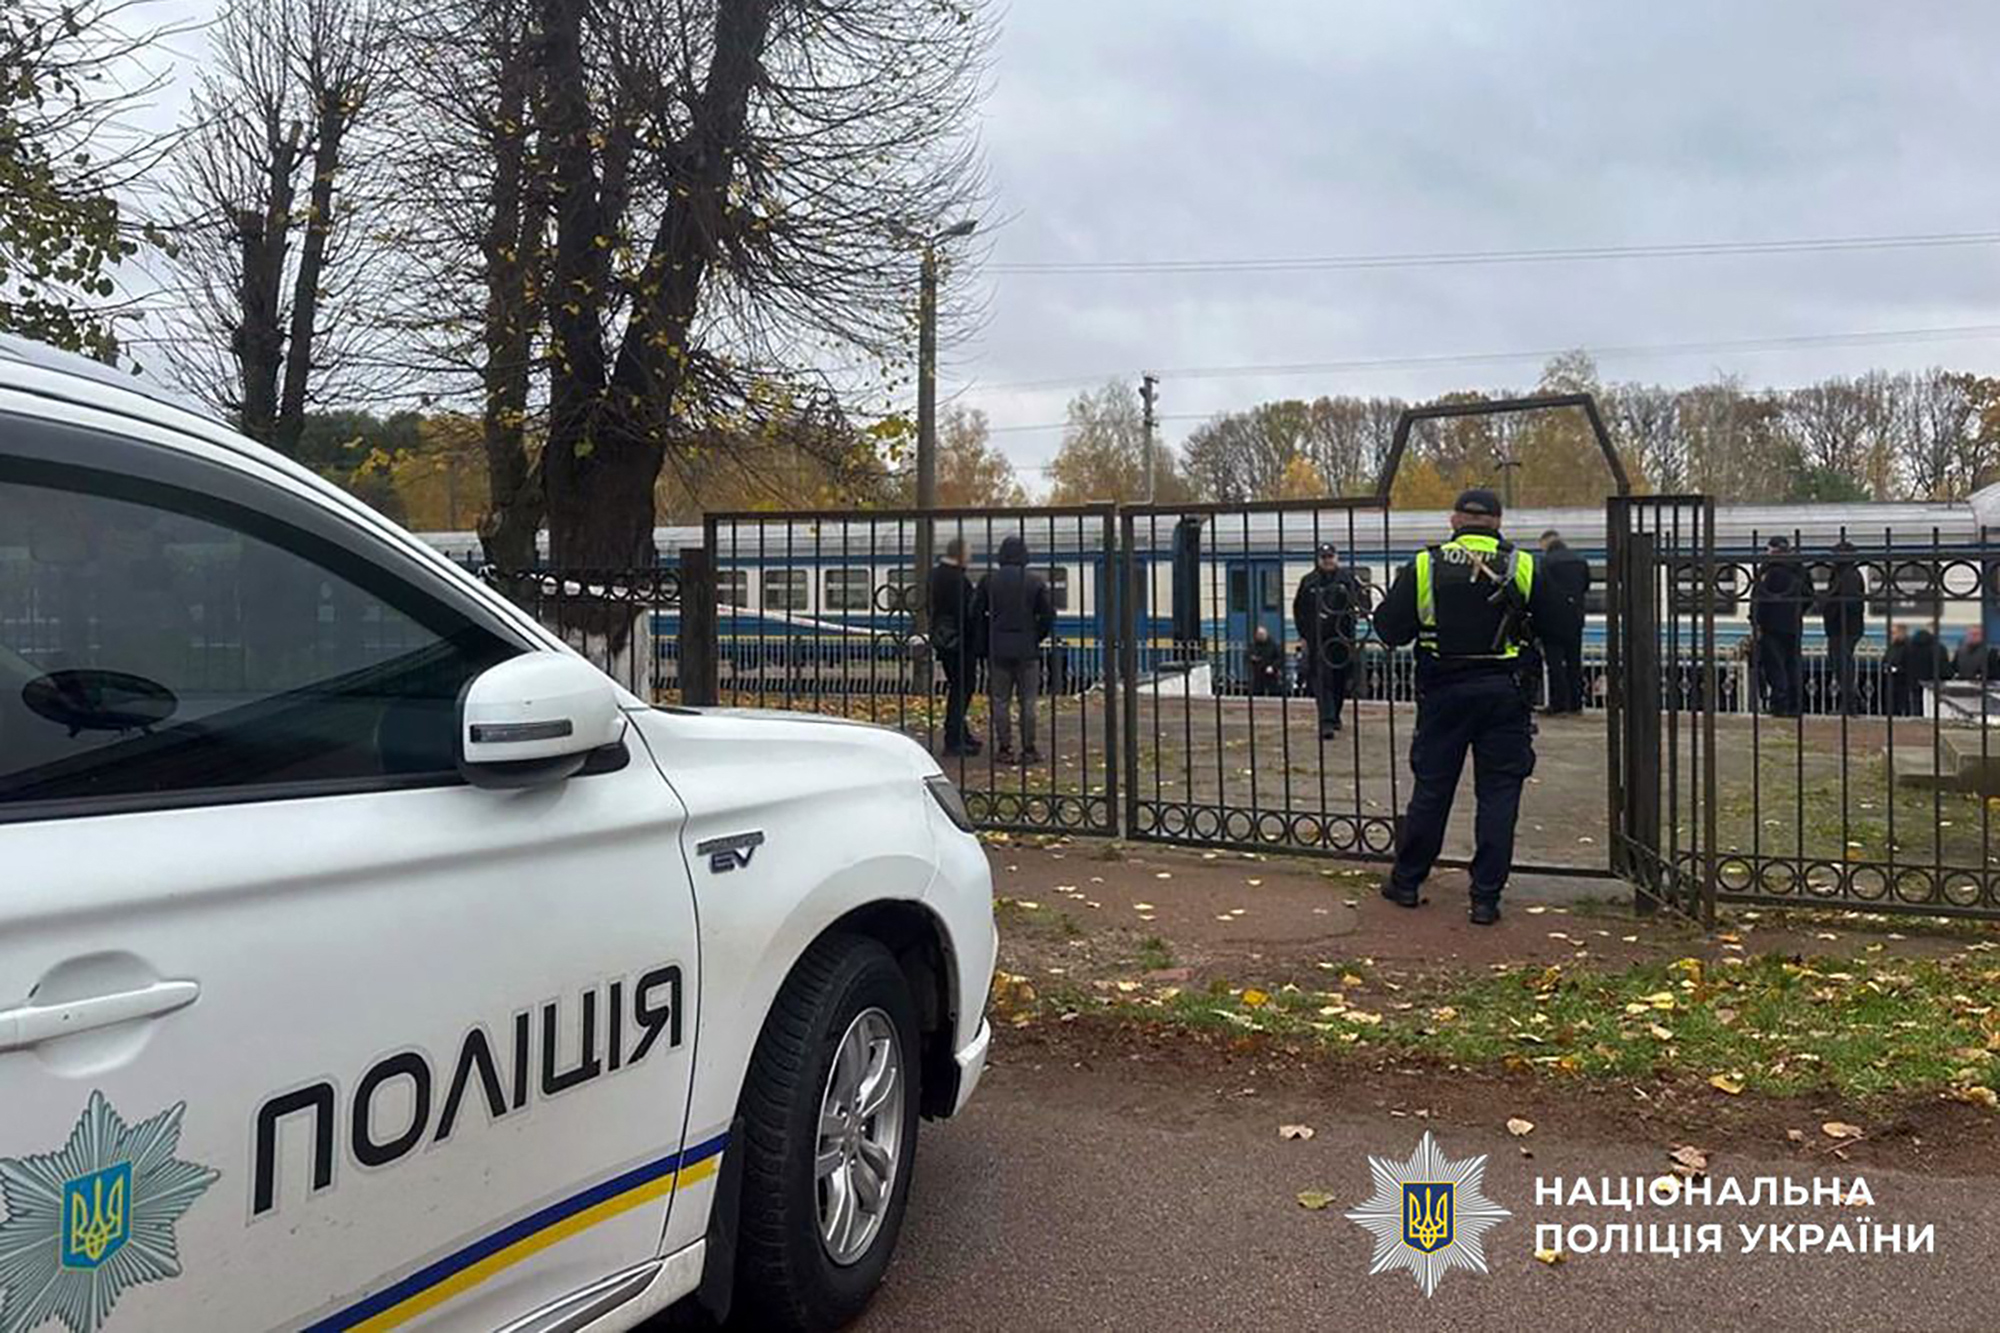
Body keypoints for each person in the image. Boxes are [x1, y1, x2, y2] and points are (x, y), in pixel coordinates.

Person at [1372, 488, 1578, 925]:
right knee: (1499, 794)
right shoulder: (1523, 565)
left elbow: (1390, 631)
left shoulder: (1424, 565)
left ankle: (1407, 882)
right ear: (1498, 523)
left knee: (1432, 790)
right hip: (1506, 693)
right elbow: (1562, 625)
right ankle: (1485, 898)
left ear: (1454, 521)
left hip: (1443, 691)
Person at [971, 534, 1055, 764]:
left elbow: (975, 612)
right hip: (1027, 650)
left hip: (997, 649)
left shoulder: (989, 581)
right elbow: (1048, 615)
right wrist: (1035, 636)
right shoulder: (1035, 582)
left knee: (1000, 700)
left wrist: (987, 638)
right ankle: (1028, 749)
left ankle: (1004, 748)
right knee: (1028, 701)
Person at [1293, 542, 1361, 739]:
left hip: (1343, 638)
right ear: (1318, 560)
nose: (1328, 561)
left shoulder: (1347, 579)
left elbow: (1363, 602)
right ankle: (1326, 721)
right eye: (1324, 558)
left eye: (1330, 557)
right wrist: (1303, 635)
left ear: (1336, 558)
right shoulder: (1309, 581)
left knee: (1341, 679)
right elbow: (1300, 610)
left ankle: (1335, 715)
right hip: (1318, 639)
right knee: (1322, 680)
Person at [928, 536, 980, 755]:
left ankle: (961, 733)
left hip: (943, 639)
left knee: (957, 686)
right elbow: (966, 613)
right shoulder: (957, 580)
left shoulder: (936, 574)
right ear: (960, 554)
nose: (971, 556)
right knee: (963, 687)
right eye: (968, 552)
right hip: (960, 641)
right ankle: (954, 738)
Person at [1750, 535, 1812, 718]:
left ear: (1773, 550)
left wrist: (1756, 621)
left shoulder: (1767, 571)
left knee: (1775, 666)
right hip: (1793, 625)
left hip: (1771, 625)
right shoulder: (1800, 570)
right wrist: (1797, 612)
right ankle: (1795, 705)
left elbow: (1759, 599)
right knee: (1793, 664)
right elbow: (1810, 595)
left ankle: (1780, 704)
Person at [1537, 529, 1591, 713]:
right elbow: (1585, 586)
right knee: (1574, 662)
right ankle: (1576, 703)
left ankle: (1558, 703)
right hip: (1575, 618)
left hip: (1551, 620)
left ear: (1546, 543)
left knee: (1555, 664)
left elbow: (1541, 590)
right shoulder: (1580, 559)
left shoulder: (1546, 562)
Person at [1817, 539, 1867, 715]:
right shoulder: (1848, 574)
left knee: (1842, 665)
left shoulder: (1846, 575)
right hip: (1844, 627)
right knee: (1840, 663)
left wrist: (1829, 610)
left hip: (1843, 627)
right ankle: (1852, 701)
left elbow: (1846, 602)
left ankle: (1850, 703)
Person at [1247, 624, 1284, 697]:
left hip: (1271, 673)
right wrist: (1252, 658)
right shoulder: (1254, 645)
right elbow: (1248, 655)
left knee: (1273, 693)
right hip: (1258, 673)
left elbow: (1280, 658)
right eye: (1259, 634)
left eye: (1262, 634)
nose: (1260, 636)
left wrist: (1273, 667)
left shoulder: (1273, 645)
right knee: (1257, 693)